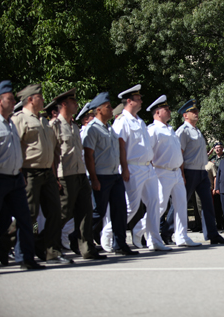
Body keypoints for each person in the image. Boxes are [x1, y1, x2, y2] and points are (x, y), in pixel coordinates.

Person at [12, 84, 72, 264]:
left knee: (54, 212)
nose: (43, 99)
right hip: (29, 173)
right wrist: (20, 174)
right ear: (31, 99)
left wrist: (54, 175)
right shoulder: (20, 119)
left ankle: (52, 251)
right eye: (40, 96)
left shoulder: (44, 121)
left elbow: (51, 152)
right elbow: (16, 149)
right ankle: (19, 250)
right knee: (30, 216)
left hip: (47, 173)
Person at [51, 88, 107, 260]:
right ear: (64, 104)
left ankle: (87, 249)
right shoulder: (54, 125)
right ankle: (47, 244)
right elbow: (52, 154)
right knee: (63, 213)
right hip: (65, 175)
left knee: (86, 212)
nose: (77, 104)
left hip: (80, 174)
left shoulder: (74, 127)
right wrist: (54, 179)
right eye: (73, 102)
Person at [112, 84, 169, 251]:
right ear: (129, 101)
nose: (141, 101)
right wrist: (124, 168)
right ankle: (108, 235)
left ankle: (154, 241)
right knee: (131, 206)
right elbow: (120, 146)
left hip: (147, 168)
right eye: (138, 98)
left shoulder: (140, 121)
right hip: (132, 167)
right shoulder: (122, 121)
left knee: (155, 202)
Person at [82, 92, 139, 256]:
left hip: (114, 176)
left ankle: (120, 244)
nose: (111, 109)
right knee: (98, 212)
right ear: (98, 110)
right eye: (108, 107)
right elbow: (88, 155)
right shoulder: (92, 129)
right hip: (101, 176)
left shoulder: (110, 129)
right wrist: (93, 178)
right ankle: (79, 237)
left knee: (120, 211)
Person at [0, 80, 44, 270]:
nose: (13, 101)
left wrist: (20, 173)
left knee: (26, 219)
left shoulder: (10, 123)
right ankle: (1, 252)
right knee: (1, 221)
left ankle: (25, 258)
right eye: (9, 99)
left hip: (16, 179)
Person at [147, 95, 201, 247]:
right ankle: (150, 237)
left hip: (176, 172)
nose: (169, 111)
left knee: (181, 204)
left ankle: (182, 236)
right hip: (161, 171)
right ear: (157, 112)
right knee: (160, 206)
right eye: (166, 109)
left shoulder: (170, 129)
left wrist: (181, 173)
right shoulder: (152, 130)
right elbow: (148, 152)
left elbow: (177, 153)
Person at [176, 99, 224, 244]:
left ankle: (212, 234)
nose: (196, 113)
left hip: (201, 171)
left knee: (208, 204)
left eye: (196, 111)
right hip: (189, 171)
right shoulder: (183, 131)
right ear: (185, 115)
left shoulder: (198, 131)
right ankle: (167, 231)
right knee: (181, 203)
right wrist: (181, 174)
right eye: (192, 111)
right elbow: (179, 154)